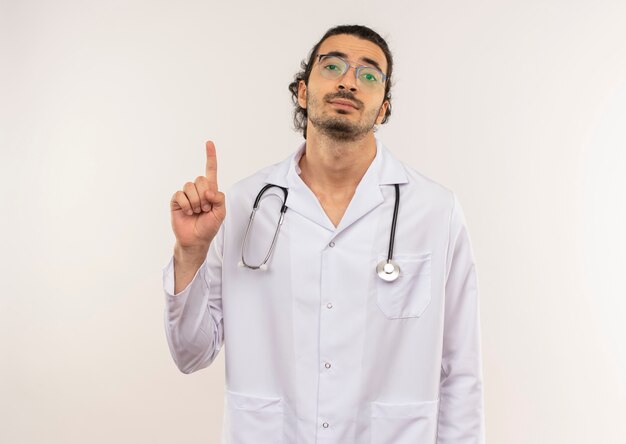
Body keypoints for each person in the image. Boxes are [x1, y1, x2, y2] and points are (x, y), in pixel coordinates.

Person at [163, 24, 485, 444]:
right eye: (332, 65)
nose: (349, 80)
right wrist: (190, 253)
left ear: (383, 108)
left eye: (369, 74)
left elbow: (460, 371)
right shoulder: (244, 205)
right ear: (302, 90)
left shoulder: (434, 211)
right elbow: (191, 354)